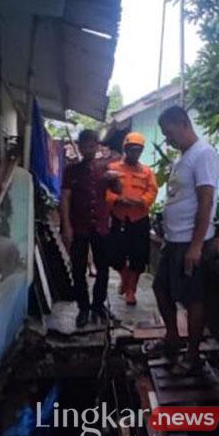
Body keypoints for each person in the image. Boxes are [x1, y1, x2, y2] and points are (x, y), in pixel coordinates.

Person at [151, 105, 219, 374]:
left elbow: (206, 201)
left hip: (189, 241)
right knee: (161, 289)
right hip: (173, 239)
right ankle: (172, 338)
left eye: (169, 133)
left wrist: (196, 245)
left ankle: (192, 355)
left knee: (193, 299)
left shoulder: (204, 154)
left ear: (183, 124)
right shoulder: (183, 157)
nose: (167, 139)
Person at [60, 129, 114, 328]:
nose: (89, 149)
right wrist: (66, 226)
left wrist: (114, 180)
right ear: (80, 147)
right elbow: (65, 198)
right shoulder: (71, 170)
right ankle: (83, 308)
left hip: (101, 226)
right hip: (78, 227)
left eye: (93, 145)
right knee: (78, 269)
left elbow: (117, 191)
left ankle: (98, 305)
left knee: (103, 268)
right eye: (85, 145)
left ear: (98, 146)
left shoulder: (106, 168)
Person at [106, 132, 158, 306]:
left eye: (138, 150)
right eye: (131, 149)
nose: (134, 153)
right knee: (115, 255)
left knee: (138, 257)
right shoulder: (112, 168)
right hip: (119, 217)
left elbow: (152, 191)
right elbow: (104, 190)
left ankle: (131, 290)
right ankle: (125, 277)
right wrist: (117, 199)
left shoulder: (147, 172)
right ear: (125, 149)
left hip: (139, 219)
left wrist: (142, 201)